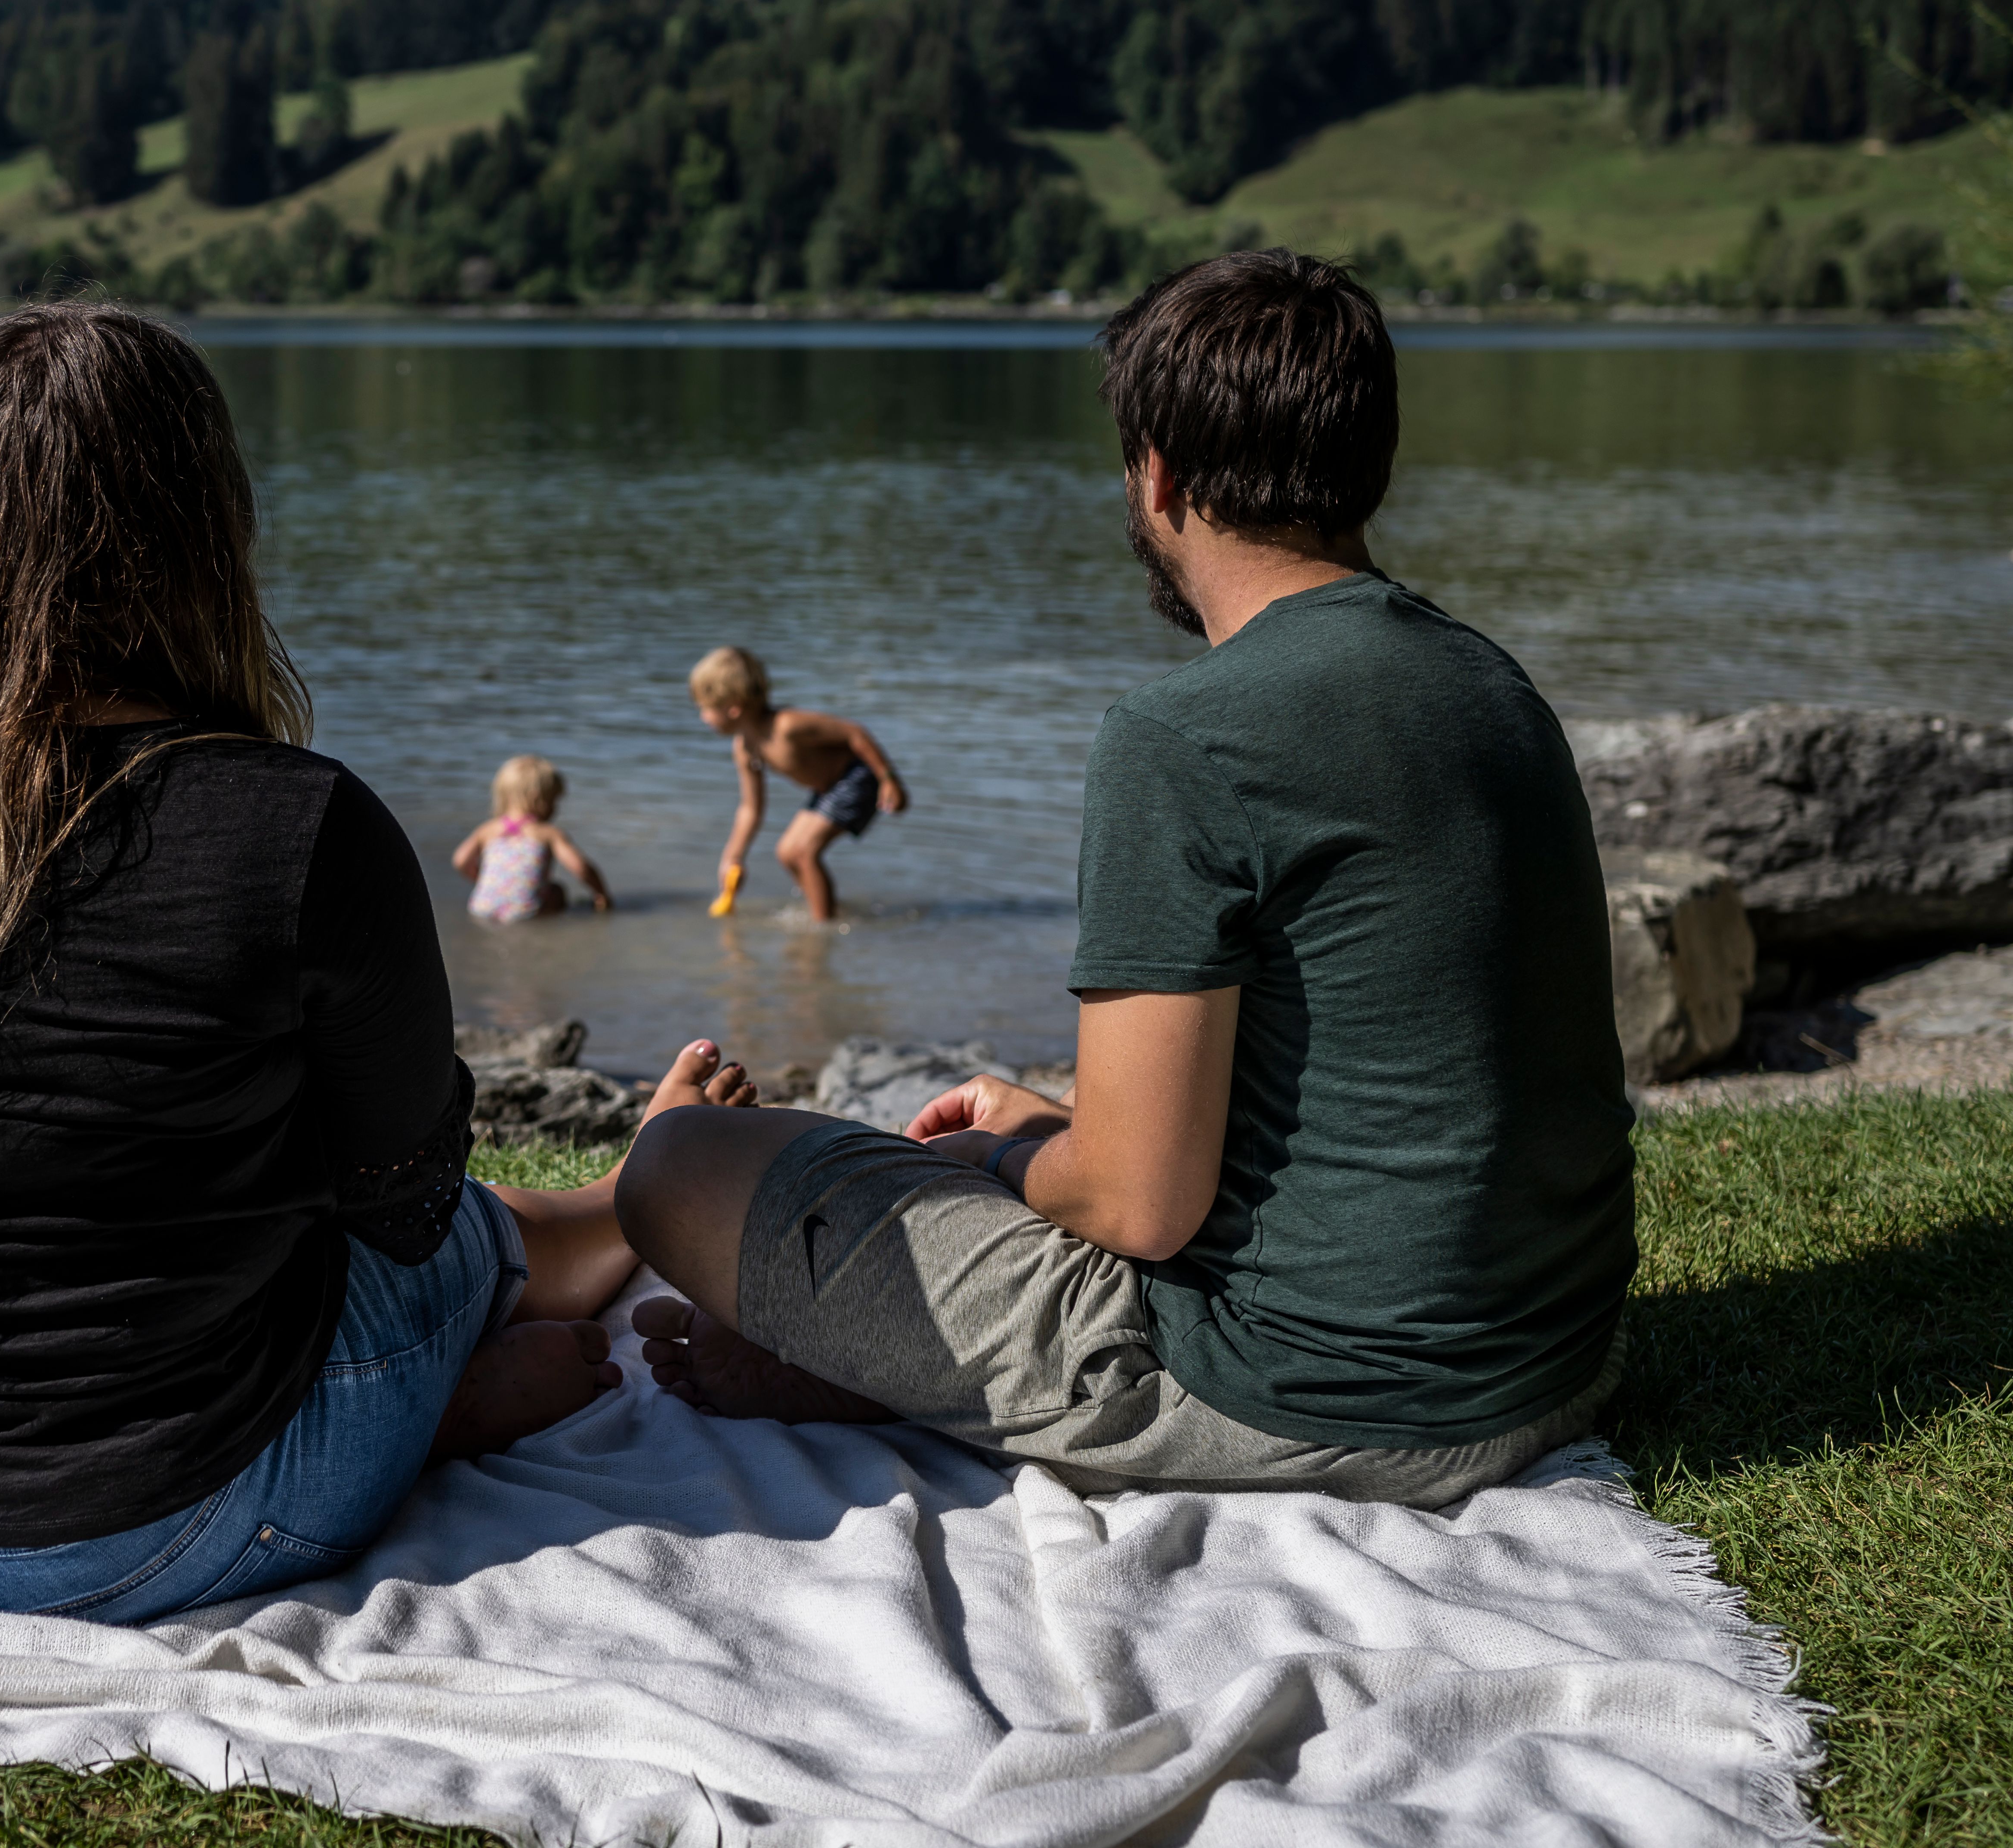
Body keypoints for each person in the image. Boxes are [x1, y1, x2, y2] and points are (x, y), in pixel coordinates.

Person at [0, 303, 752, 1626]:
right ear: (203, 529)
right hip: (146, 1523)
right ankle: (613, 1215)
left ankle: (597, 1204)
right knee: (440, 1235)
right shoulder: (287, 820)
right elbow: (402, 1208)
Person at [617, 251, 1636, 1509]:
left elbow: (1136, 1205)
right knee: (995, 1153)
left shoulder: (1185, 733)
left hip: (1306, 1398)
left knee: (676, 1164)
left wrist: (1006, 1162)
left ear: (1157, 472)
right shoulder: (1491, 684)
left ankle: (863, 1352)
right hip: (1548, 1363)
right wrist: (1047, 1122)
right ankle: (875, 1348)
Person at [690, 646, 907, 923]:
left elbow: (854, 733)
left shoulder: (787, 726)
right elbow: (750, 809)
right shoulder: (746, 748)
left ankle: (822, 928)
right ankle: (828, 911)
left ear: (733, 708)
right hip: (828, 790)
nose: (702, 718)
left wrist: (889, 779)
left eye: (705, 709)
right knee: (786, 853)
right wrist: (733, 857)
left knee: (803, 852)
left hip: (857, 779)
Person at [454, 754, 612, 925]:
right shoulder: (548, 833)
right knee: (557, 891)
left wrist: (482, 879)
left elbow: (460, 861)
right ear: (540, 800)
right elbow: (581, 867)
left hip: (482, 908)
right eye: (554, 801)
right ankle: (549, 926)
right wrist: (602, 894)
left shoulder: (487, 830)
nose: (556, 809)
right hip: (526, 912)